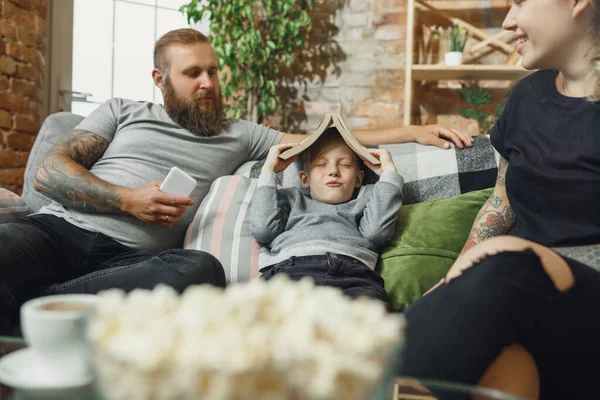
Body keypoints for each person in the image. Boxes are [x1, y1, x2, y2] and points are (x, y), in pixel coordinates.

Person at [0, 28, 472, 334]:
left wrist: (413, 130)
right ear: (159, 79)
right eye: (192, 74)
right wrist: (125, 199)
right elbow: (50, 172)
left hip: (133, 262)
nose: (207, 83)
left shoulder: (240, 135)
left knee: (200, 269)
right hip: (56, 233)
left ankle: (36, 311)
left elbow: (325, 136)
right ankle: (43, 316)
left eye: (212, 72)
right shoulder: (124, 111)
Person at [398, 0, 600, 398]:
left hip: (580, 298)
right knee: (507, 366)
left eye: (520, 2)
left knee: (507, 259)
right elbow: (502, 202)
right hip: (520, 300)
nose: (507, 23)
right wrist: (454, 281)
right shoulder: (527, 96)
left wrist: (502, 263)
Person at [249, 129, 403, 308]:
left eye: (344, 165)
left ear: (359, 179)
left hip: (354, 276)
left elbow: (377, 232)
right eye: (321, 164)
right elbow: (263, 230)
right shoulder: (291, 198)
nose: (333, 171)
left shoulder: (366, 197)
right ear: (305, 179)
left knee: (376, 323)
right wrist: (269, 170)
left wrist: (389, 173)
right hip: (290, 271)